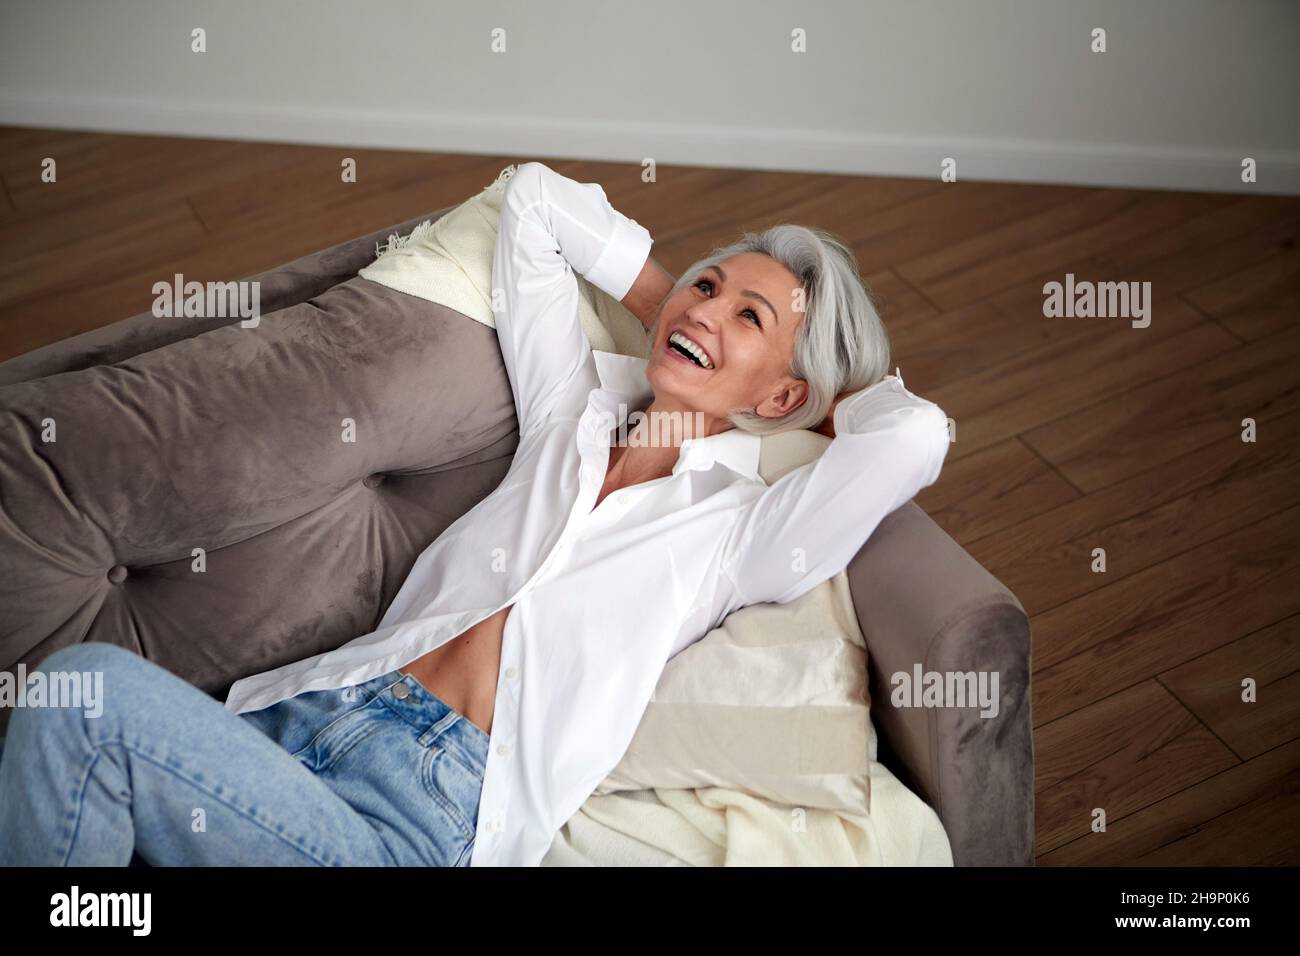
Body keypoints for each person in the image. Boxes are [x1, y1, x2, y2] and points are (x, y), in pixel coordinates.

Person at [0, 161, 950, 867]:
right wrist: (675, 309)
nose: (709, 309)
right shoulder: (568, 413)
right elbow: (532, 199)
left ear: (783, 398)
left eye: (752, 319)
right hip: (293, 723)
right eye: (710, 284)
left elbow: (912, 440)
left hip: (421, 816)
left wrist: (821, 402)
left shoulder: (743, 534)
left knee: (85, 697)